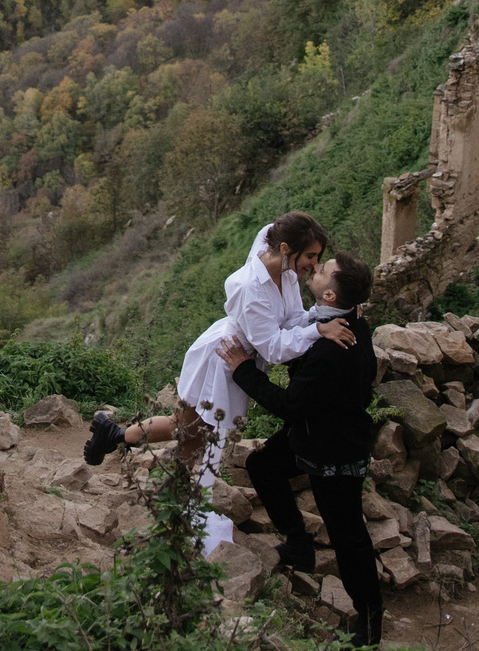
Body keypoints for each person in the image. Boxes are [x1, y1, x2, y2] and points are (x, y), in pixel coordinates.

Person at [82, 212, 350, 552]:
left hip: (236, 361)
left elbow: (291, 317)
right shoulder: (249, 287)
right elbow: (273, 347)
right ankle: (174, 509)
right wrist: (318, 329)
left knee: (186, 427)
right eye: (310, 256)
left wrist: (320, 317)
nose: (314, 264)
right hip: (222, 360)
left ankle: (116, 436)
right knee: (196, 438)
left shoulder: (286, 272)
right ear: (285, 249)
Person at [217, 251, 383, 646]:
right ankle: (298, 544)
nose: (315, 268)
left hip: (334, 452)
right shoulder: (343, 320)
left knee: (348, 536)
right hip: (312, 433)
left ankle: (371, 621)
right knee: (263, 466)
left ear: (329, 296)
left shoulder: (332, 349)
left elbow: (290, 403)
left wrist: (242, 369)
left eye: (323, 270)